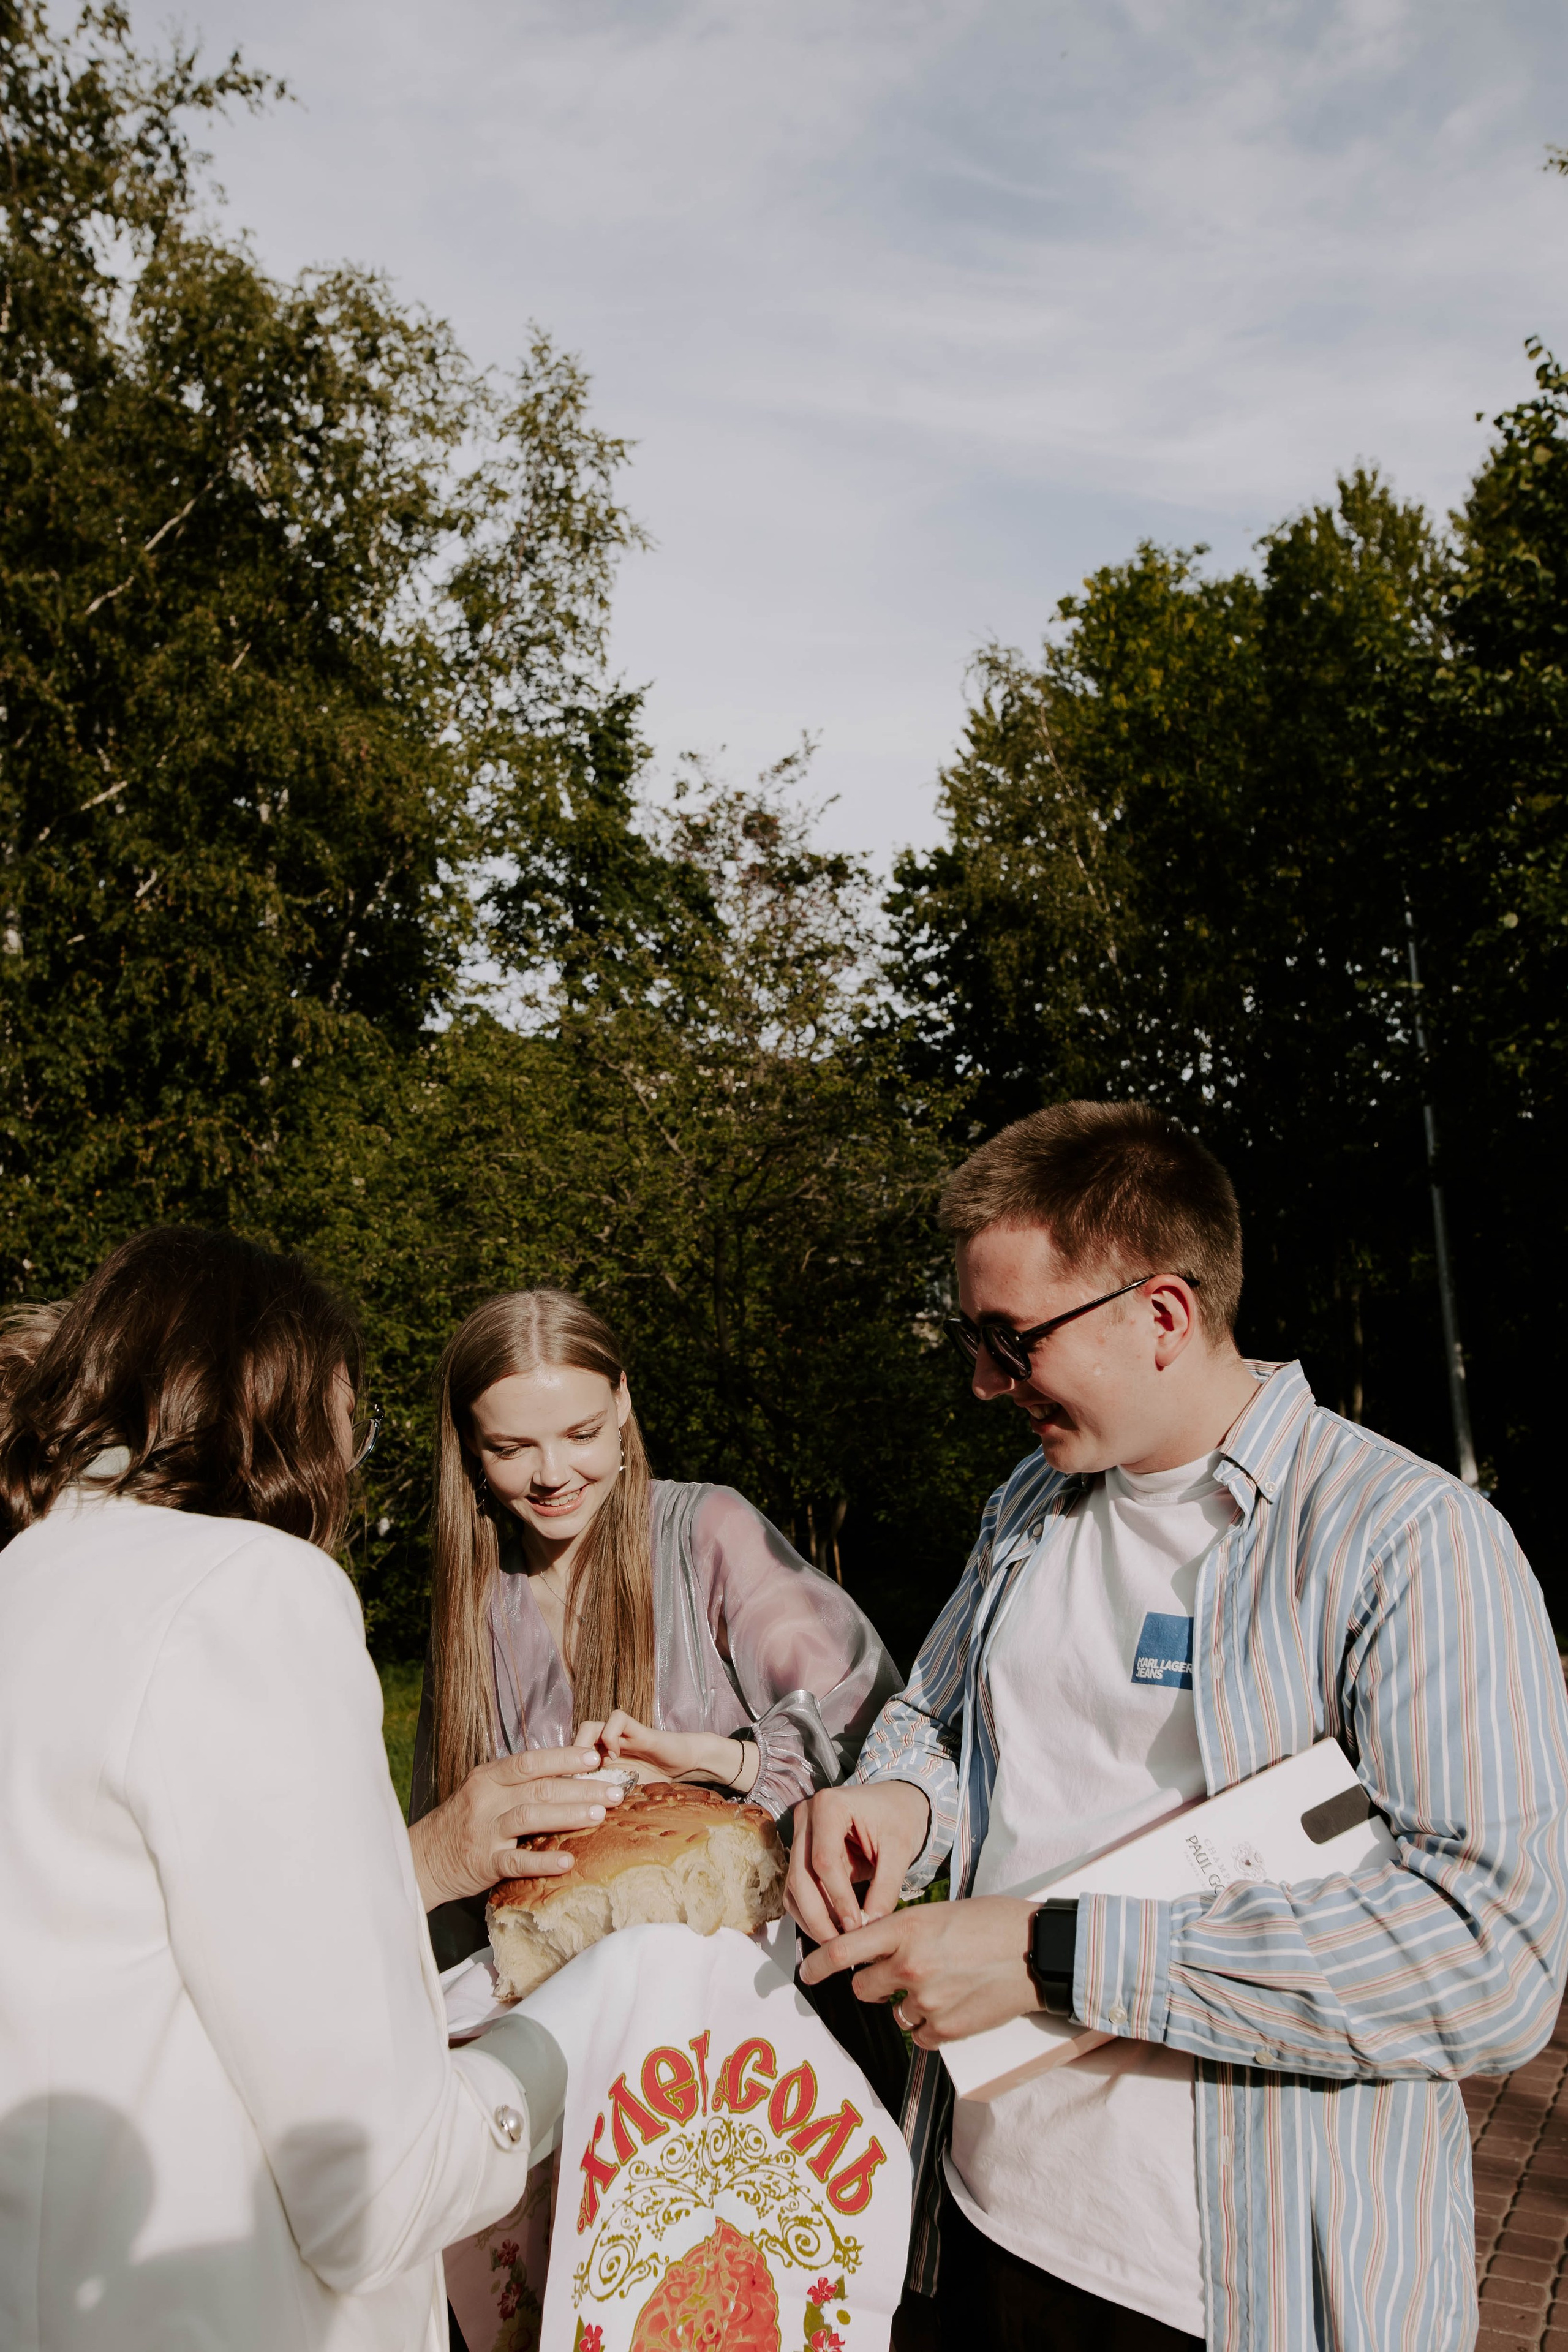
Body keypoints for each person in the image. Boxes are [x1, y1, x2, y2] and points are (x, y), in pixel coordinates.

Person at [788, 1101, 1568, 2352]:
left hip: (1223, 2287)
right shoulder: (1029, 1503)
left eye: (1009, 1338)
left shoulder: (1407, 1542)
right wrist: (899, 1801)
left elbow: (1491, 1962)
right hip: (980, 2219)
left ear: (1160, 1314)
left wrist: (1051, 1957)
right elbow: (930, 1717)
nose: (983, 1380)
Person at [0, 1229, 573, 2352]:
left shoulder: (29, 1583)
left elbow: (148, 1947)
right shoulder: (246, 1593)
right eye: (348, 1432)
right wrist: (582, 2026)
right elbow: (380, 2188)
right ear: (279, 1413)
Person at [406, 1286, 901, 1966]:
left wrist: (710, 1759)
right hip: (570, 2031)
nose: (553, 1475)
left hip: (766, 2004)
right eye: (511, 1448)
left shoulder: (707, 1533)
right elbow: (457, 1883)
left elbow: (874, 1736)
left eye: (580, 1435)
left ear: (622, 1401)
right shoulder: (472, 1607)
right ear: (468, 1442)